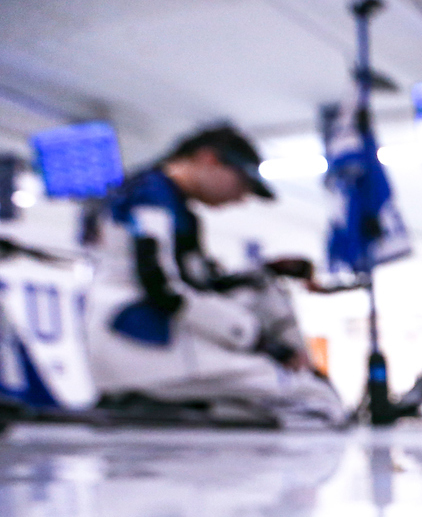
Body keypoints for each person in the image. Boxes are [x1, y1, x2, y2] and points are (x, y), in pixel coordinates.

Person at [83, 125, 345, 427]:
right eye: (242, 183)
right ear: (209, 160)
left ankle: (171, 405)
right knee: (316, 402)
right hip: (144, 336)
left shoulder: (166, 201)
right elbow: (162, 285)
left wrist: (264, 273)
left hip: (142, 337)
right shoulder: (152, 196)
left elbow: (188, 281)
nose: (242, 197)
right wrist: (260, 341)